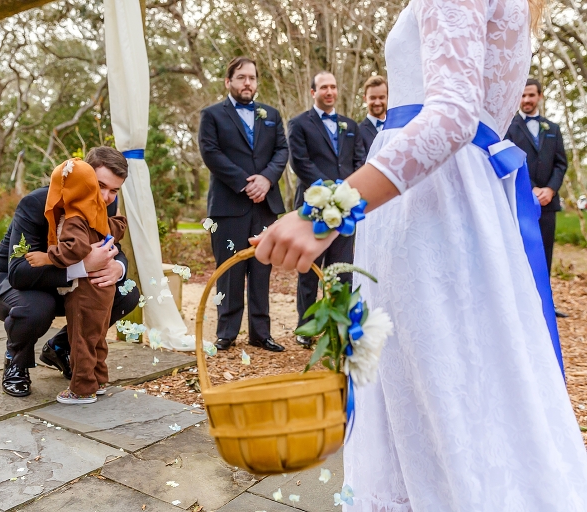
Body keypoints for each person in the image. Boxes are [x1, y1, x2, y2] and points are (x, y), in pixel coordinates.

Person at [253, 0, 587, 509]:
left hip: (429, 210)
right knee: (470, 387)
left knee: (431, 389)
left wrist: (328, 211)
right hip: (460, 206)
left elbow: (451, 117)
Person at [0, 147, 138, 397]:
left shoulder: (104, 201)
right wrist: (83, 266)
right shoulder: (35, 203)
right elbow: (19, 271)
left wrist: (119, 267)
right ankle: (16, 361)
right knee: (38, 306)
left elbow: (111, 245)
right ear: (82, 176)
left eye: (114, 190)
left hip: (62, 285)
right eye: (100, 186)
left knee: (126, 293)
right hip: (8, 283)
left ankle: (60, 347)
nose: (106, 197)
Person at [198, 56, 288, 352]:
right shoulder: (212, 115)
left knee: (261, 270)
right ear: (229, 82)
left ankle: (261, 333)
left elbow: (281, 150)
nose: (247, 83)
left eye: (251, 78)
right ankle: (226, 332)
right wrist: (245, 182)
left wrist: (266, 179)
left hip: (265, 205)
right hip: (228, 205)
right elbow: (210, 152)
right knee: (229, 270)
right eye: (241, 78)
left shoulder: (271, 114)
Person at [24, 158, 126, 404]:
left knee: (80, 341)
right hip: (103, 290)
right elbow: (117, 227)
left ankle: (82, 389)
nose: (107, 196)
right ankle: (100, 380)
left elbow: (75, 248)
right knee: (96, 338)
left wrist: (47, 257)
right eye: (100, 186)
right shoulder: (97, 214)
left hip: (85, 291)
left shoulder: (75, 218)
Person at [288, 71, 366, 348]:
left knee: (342, 270)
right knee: (309, 269)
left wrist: (346, 192)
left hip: (346, 208)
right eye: (323, 87)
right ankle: (305, 328)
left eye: (333, 86)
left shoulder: (350, 125)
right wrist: (329, 190)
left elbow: (359, 161)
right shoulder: (299, 124)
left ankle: (339, 326)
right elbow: (300, 162)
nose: (329, 91)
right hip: (313, 204)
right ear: (313, 92)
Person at [505, 78, 569, 317]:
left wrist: (550, 189)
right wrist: (530, 189)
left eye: (531, 95)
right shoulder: (509, 128)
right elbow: (509, 162)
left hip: (548, 203)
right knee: (519, 252)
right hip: (520, 202)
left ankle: (546, 305)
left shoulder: (552, 129)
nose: (527, 100)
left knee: (546, 252)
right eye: (522, 96)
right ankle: (522, 307)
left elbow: (561, 164)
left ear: (540, 96)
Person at [358, 75, 388, 155]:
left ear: (388, 97)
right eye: (373, 98)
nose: (377, 102)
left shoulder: (396, 127)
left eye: (381, 97)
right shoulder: (358, 131)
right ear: (365, 99)